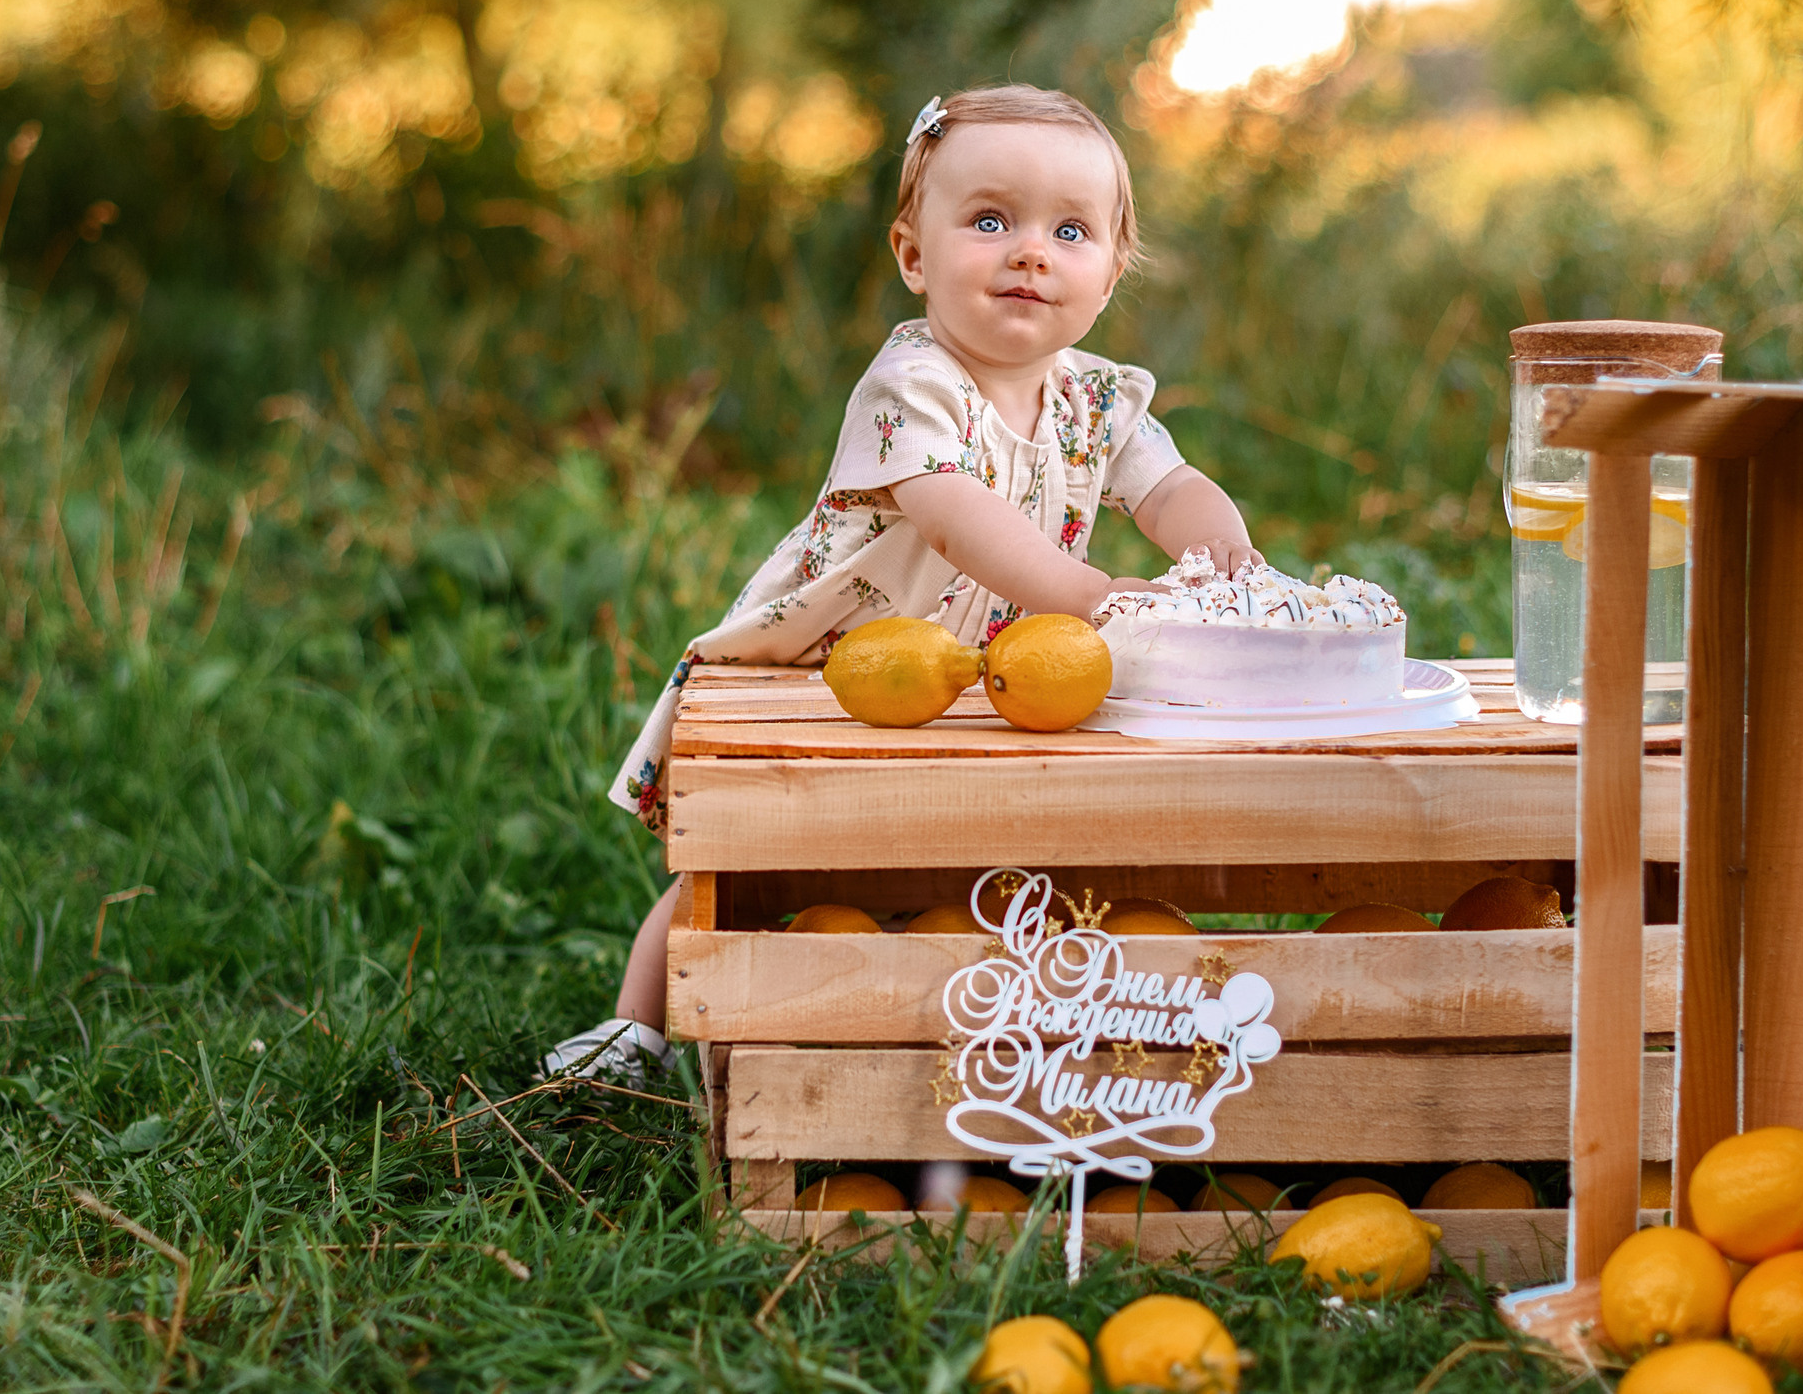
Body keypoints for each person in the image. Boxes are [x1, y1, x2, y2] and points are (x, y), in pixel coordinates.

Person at [542, 84, 1265, 1082]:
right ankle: (638, 1027)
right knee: (747, 853)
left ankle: (932, 1015)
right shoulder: (913, 382)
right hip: (833, 660)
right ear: (914, 256)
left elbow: (1169, 487)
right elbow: (956, 517)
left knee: (947, 849)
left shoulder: (1098, 399)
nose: (1030, 252)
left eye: (1069, 231)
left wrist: (1220, 547)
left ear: (1108, 275)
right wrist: (1095, 596)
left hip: (980, 675)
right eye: (990, 220)